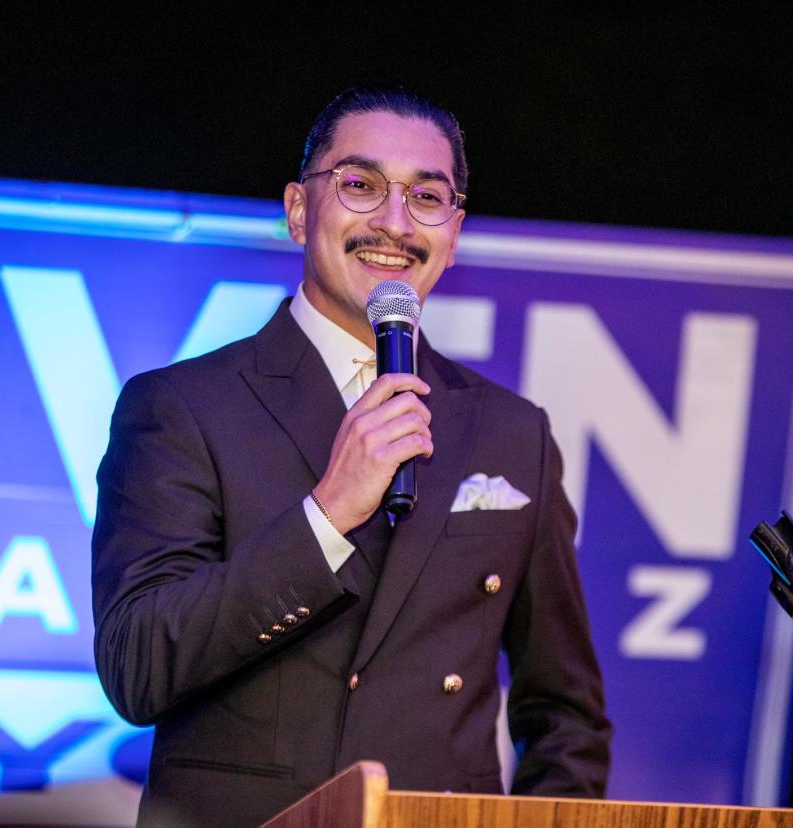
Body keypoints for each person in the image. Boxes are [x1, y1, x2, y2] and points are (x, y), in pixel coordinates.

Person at [91, 87, 611, 826]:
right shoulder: (180, 407)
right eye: (361, 186)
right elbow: (137, 668)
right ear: (300, 209)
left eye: (426, 197)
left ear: (454, 232)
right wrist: (327, 514)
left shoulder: (512, 433)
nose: (394, 224)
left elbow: (566, 714)